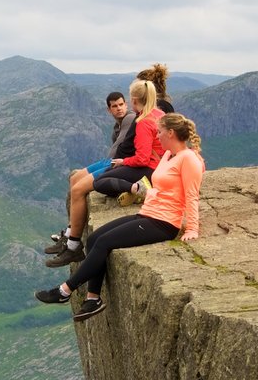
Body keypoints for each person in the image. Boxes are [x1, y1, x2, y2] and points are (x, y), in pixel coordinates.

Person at [35, 113, 204, 321]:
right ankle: (93, 298)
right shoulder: (169, 156)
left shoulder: (189, 159)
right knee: (95, 238)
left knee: (105, 242)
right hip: (148, 214)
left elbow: (192, 195)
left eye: (159, 132)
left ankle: (64, 290)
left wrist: (192, 228)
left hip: (163, 223)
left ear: (171, 133)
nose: (157, 136)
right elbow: (158, 185)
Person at [46, 80, 167, 266]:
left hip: (142, 169)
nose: (119, 108)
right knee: (76, 181)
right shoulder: (159, 114)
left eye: (122, 104)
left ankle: (73, 247)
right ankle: (70, 236)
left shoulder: (142, 121)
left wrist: (122, 162)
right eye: (114, 106)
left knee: (79, 190)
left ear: (132, 101)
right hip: (153, 168)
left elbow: (142, 158)